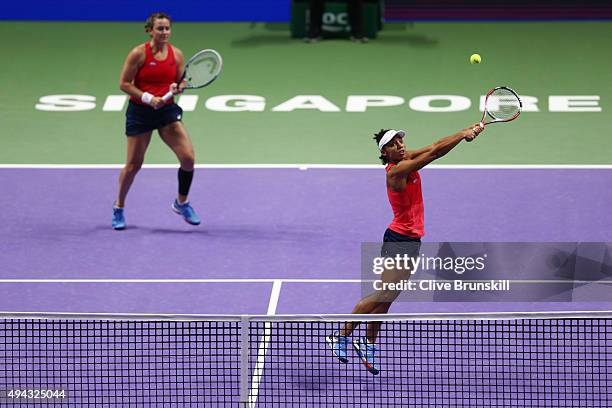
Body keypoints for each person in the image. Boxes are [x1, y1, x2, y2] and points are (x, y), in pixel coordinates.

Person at [326, 123, 484, 374]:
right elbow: (434, 154)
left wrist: (465, 131)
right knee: (381, 294)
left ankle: (367, 344)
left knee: (388, 299)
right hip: (399, 239)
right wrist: (462, 137)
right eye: (393, 144)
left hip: (411, 241)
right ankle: (340, 336)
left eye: (400, 141)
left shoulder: (405, 158)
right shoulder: (396, 172)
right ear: (384, 153)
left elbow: (433, 145)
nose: (400, 145)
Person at [112, 12, 201, 230]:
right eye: (159, 29)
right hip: (141, 113)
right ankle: (119, 207)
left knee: (188, 159)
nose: (164, 33)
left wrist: (176, 89)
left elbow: (180, 83)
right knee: (133, 165)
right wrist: (149, 98)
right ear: (150, 30)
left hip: (166, 112)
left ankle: (181, 203)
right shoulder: (138, 54)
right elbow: (124, 84)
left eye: (167, 28)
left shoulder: (177, 55)